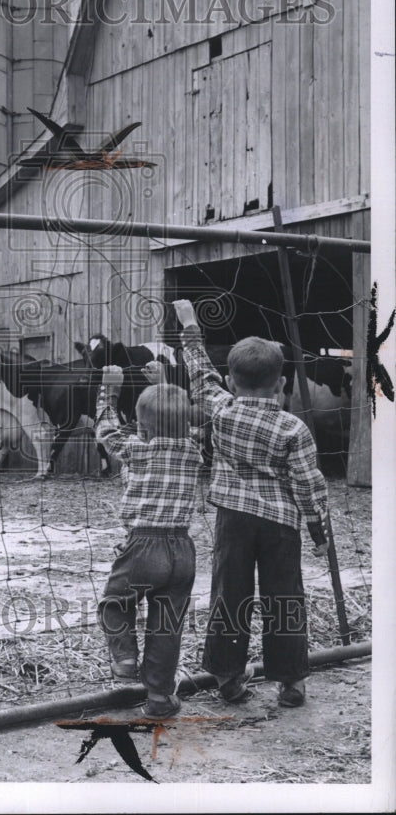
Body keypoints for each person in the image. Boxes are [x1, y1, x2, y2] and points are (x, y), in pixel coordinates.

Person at [172, 299, 330, 708]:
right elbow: (309, 486)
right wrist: (318, 532)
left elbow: (200, 374)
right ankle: (291, 682)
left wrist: (190, 325)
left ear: (231, 379)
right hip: (281, 524)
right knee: (285, 598)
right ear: (281, 383)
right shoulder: (293, 428)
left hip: (233, 519)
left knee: (230, 593)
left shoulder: (221, 410)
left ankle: (227, 677)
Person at [94, 363, 208, 718]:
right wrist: (164, 385)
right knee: (166, 626)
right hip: (182, 550)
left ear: (141, 427)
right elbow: (180, 423)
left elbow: (105, 429)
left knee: (115, 601)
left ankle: (126, 658)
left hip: (144, 545)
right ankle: (159, 698)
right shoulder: (194, 450)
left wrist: (108, 390)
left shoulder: (134, 449)